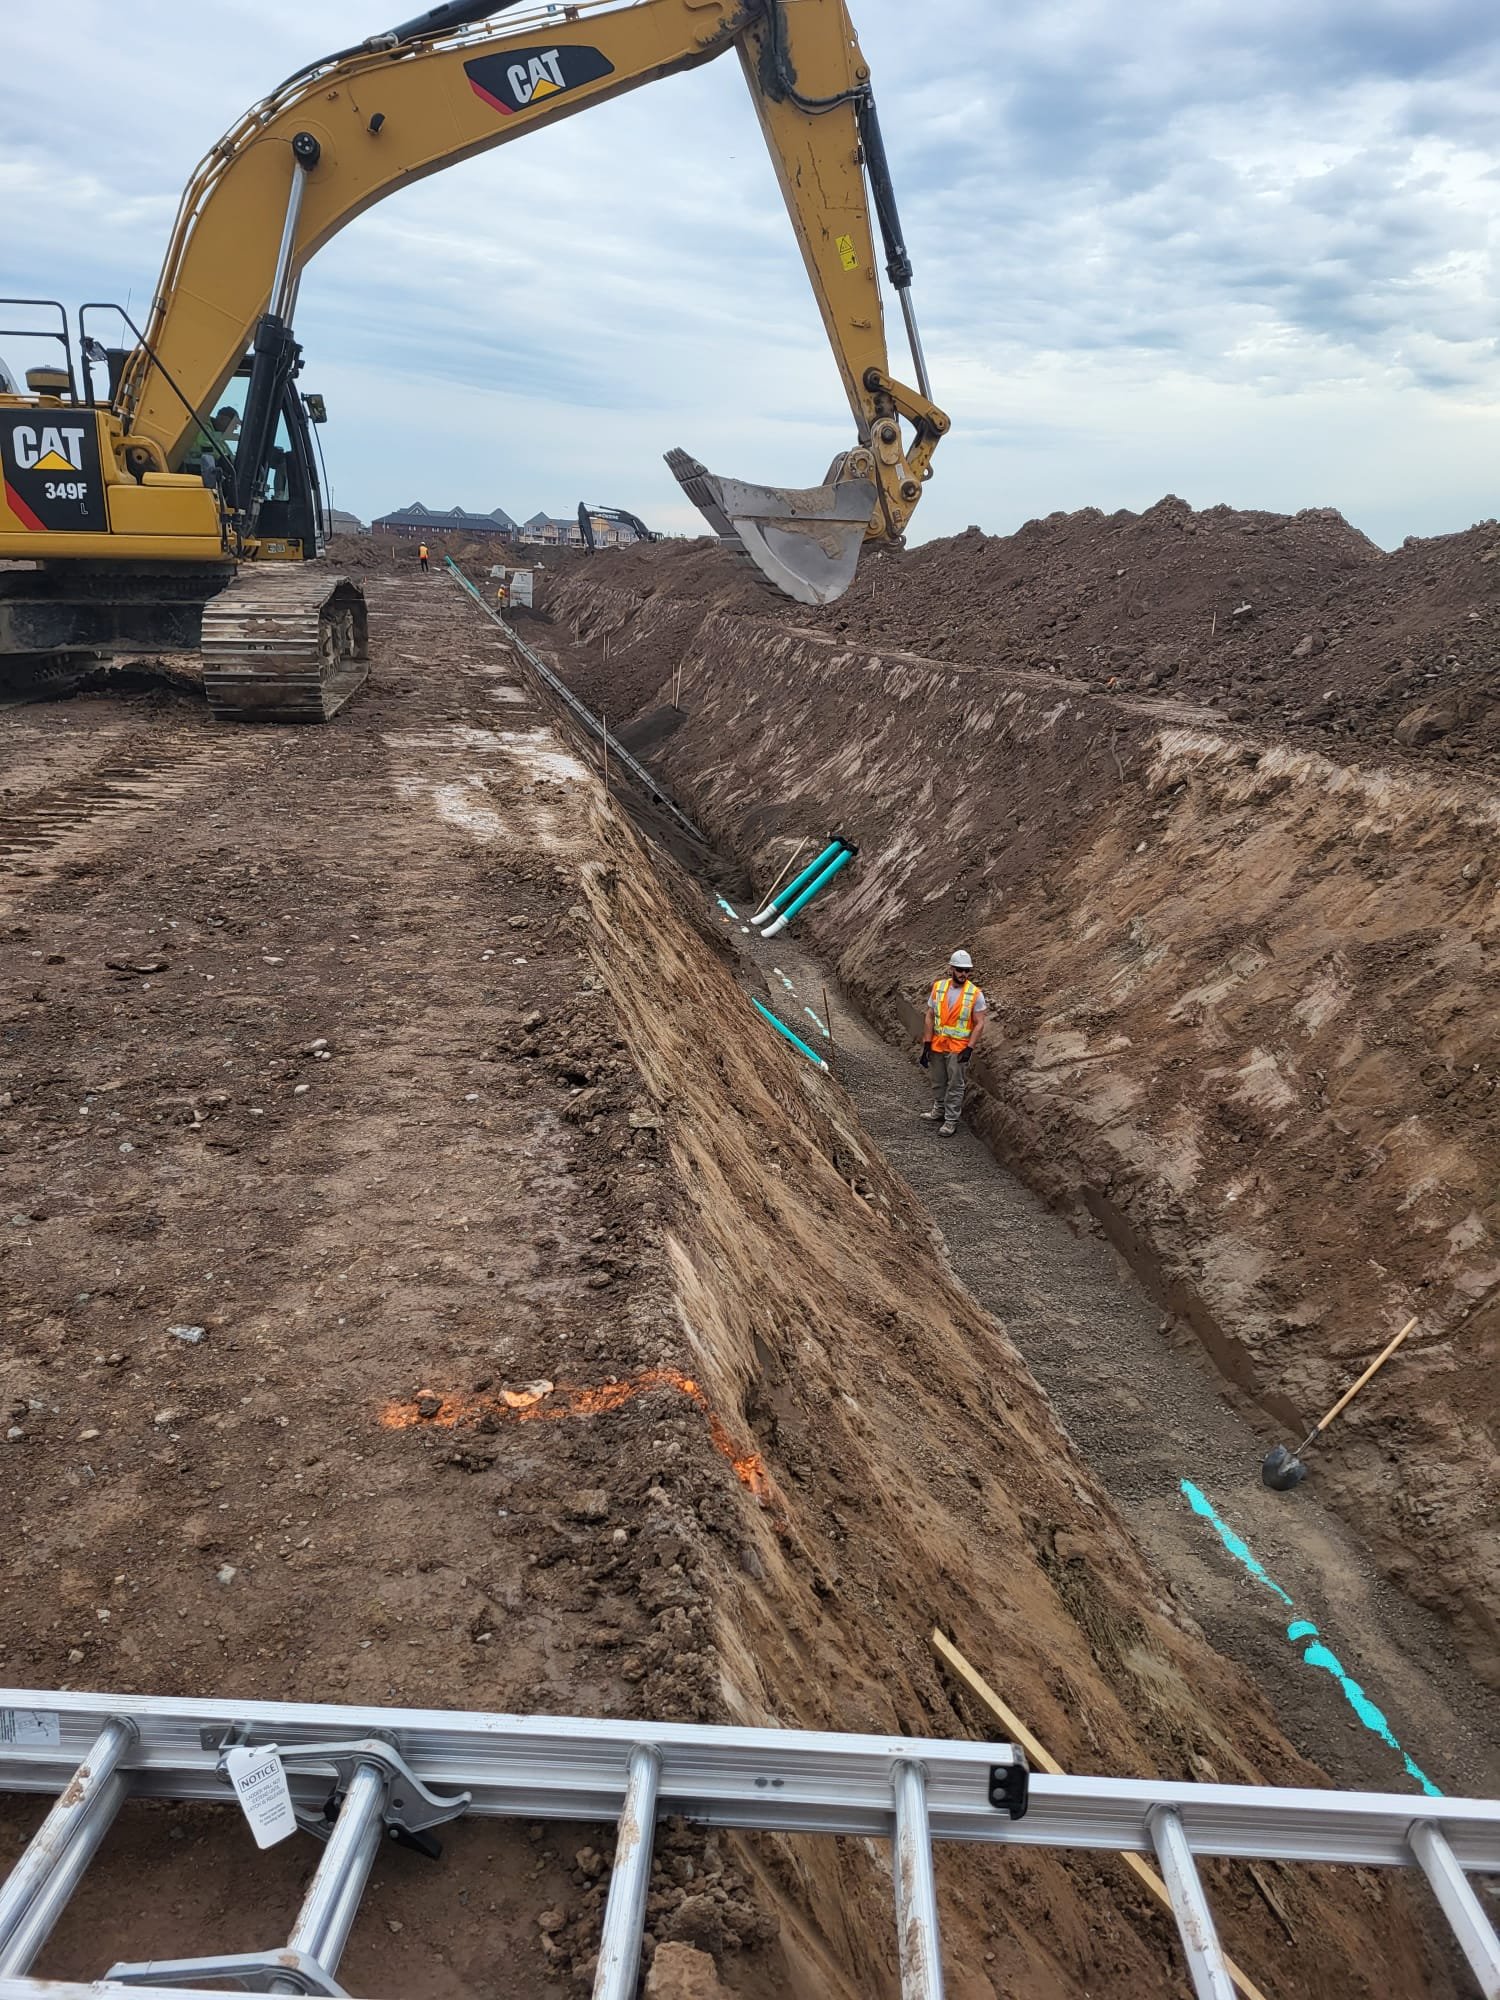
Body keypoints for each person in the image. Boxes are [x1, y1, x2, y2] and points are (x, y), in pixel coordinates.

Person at [920, 949, 987, 1135]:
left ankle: (950, 1120)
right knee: (938, 1080)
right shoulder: (939, 987)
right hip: (938, 1044)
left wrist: (970, 1048)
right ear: (951, 968)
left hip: (959, 1048)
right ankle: (939, 1110)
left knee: (955, 1084)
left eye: (967, 971)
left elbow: (980, 1022)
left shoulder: (975, 994)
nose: (963, 974)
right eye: (959, 970)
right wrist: (927, 1043)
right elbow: (930, 1015)